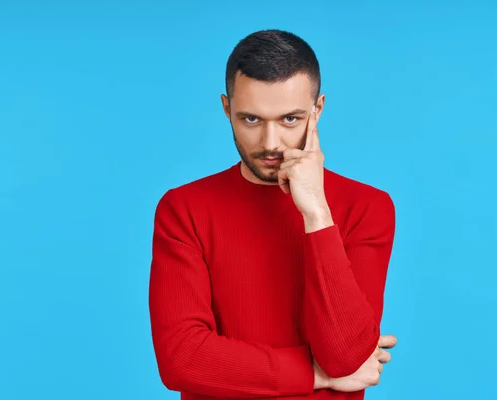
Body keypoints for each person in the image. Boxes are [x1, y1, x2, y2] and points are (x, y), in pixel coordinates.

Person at [149, 29, 398, 400]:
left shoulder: (367, 207)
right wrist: (316, 375)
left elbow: (343, 356)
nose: (270, 143)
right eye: (251, 119)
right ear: (226, 109)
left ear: (319, 110)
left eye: (290, 120)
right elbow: (182, 359)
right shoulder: (184, 209)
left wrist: (316, 212)